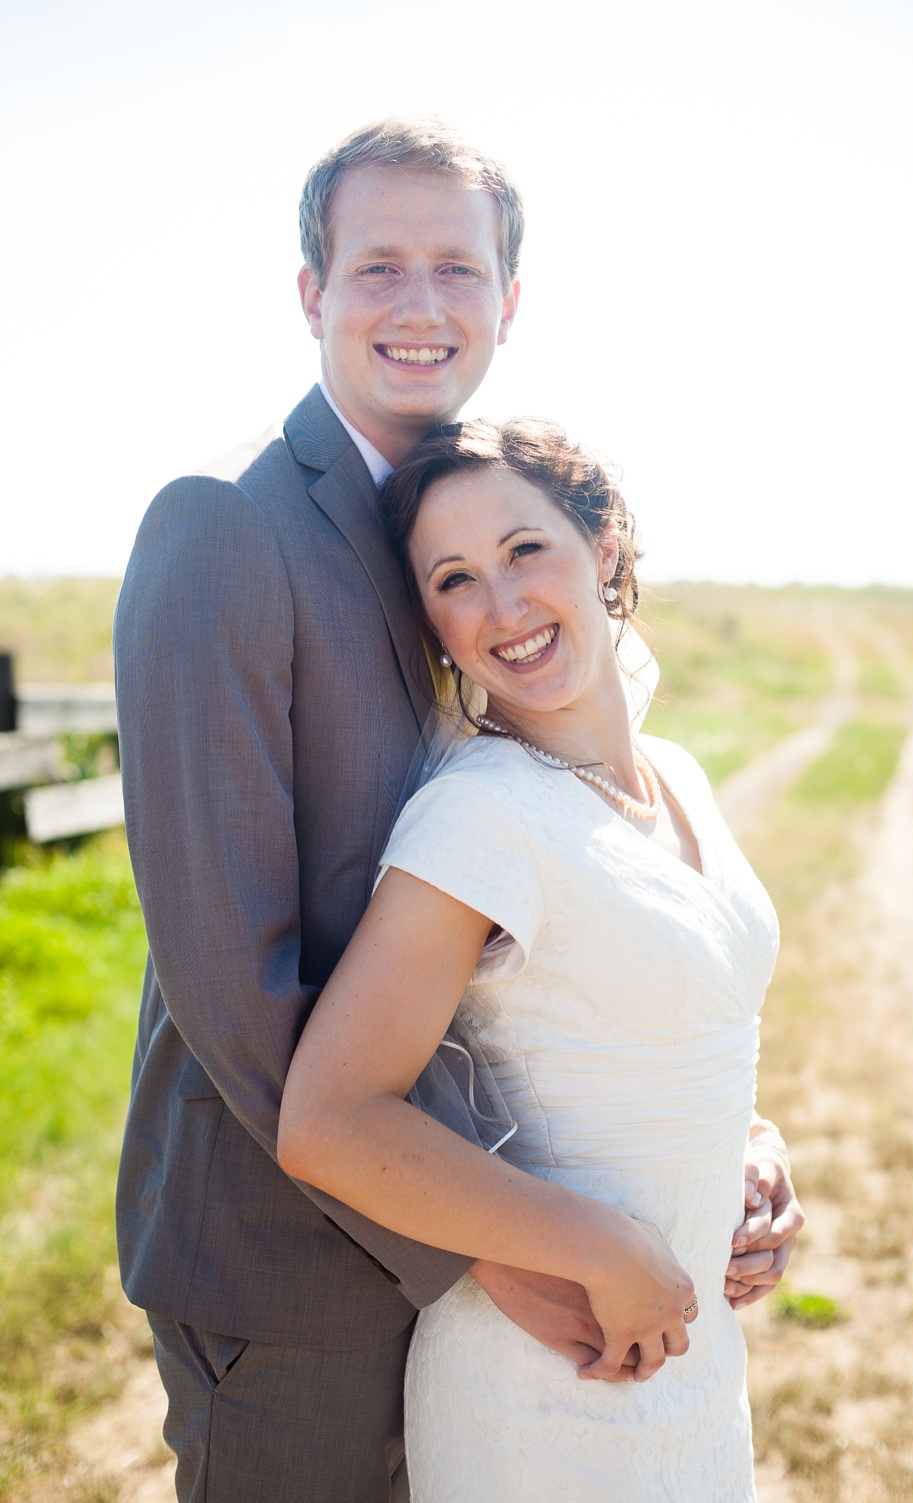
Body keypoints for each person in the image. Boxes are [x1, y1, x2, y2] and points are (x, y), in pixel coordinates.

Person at [114, 119, 800, 1502]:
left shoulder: (442, 522)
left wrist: (715, 1135)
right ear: (311, 293)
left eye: (457, 269)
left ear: (508, 299)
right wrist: (489, 1243)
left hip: (476, 1230)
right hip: (290, 1254)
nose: (421, 307)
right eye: (378, 267)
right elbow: (228, 974)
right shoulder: (226, 528)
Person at [279, 418, 777, 1497]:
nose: (501, 607)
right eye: (454, 580)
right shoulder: (479, 817)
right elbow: (328, 1118)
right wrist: (593, 1246)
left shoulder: (678, 775)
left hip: (693, 1375)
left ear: (602, 544)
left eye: (524, 551)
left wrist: (754, 1148)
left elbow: (673, 1022)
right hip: (545, 1395)